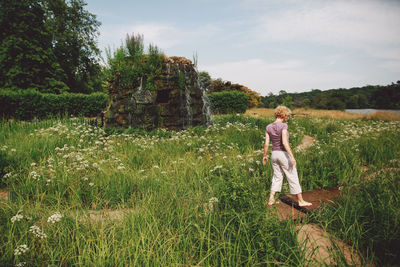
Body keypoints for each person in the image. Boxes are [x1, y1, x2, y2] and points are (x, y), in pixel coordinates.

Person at [262, 106, 312, 207]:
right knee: (292, 175)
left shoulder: (268, 127)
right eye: (287, 116)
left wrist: (264, 155)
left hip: (274, 154)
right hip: (283, 154)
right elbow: (284, 142)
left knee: (277, 176)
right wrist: (292, 157)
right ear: (284, 115)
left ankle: (271, 199)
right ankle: (301, 201)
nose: (287, 118)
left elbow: (266, 144)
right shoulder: (284, 126)